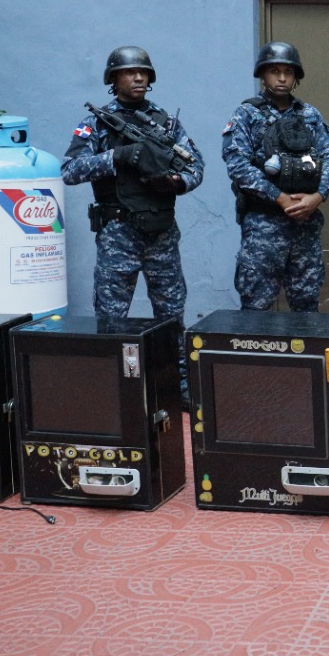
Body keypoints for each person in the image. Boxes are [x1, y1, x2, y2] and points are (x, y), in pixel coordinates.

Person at [61, 45, 205, 400]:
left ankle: (178, 386)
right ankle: (112, 392)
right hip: (118, 233)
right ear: (114, 79)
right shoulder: (96, 122)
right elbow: (70, 170)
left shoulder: (165, 122)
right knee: (111, 321)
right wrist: (119, 156)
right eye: (129, 72)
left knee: (171, 317)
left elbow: (196, 166)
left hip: (162, 233)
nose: (138, 77)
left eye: (143, 72)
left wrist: (175, 182)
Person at [222, 41, 329, 312]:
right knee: (256, 306)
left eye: (288, 72)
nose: (282, 78)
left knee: (307, 304)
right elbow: (238, 165)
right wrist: (280, 198)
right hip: (263, 225)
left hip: (305, 226)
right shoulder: (246, 114)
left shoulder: (310, 115)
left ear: (296, 76)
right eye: (275, 71)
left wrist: (318, 197)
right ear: (263, 75)